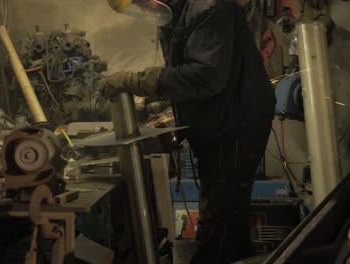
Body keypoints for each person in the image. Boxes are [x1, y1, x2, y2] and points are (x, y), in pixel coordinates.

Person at [103, 0, 276, 263]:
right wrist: (163, 98)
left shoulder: (210, 8)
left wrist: (138, 81)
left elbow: (205, 77)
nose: (146, 10)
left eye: (143, 2)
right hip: (223, 118)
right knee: (227, 213)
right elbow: (186, 68)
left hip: (236, 123)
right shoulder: (181, 12)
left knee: (221, 216)